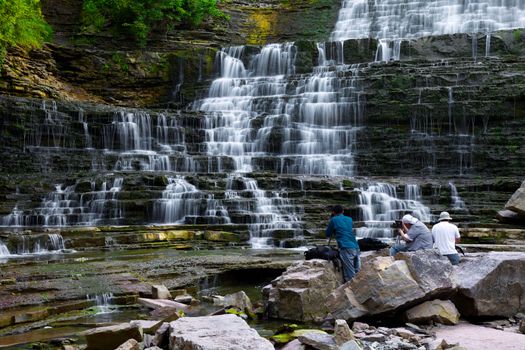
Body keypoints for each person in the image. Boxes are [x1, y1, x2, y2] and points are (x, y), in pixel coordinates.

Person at [325, 204, 360, 283]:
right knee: (358, 272)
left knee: (350, 276)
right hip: (356, 247)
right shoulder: (349, 219)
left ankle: (353, 293)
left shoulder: (333, 220)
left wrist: (332, 222)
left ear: (333, 212)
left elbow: (327, 234)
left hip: (345, 247)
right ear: (343, 211)